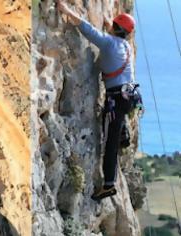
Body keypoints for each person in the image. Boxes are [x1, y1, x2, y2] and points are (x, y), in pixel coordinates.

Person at [57, 0, 136, 200]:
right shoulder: (126, 46)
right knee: (118, 124)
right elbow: (113, 33)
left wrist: (66, 10)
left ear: (114, 29)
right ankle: (124, 133)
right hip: (130, 96)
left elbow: (86, 28)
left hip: (116, 100)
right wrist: (112, 26)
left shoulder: (108, 43)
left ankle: (109, 185)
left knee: (109, 143)